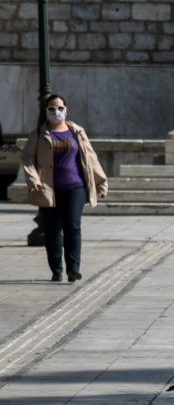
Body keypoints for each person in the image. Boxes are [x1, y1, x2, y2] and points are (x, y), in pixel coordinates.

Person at [20, 94, 108, 282]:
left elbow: (90, 157)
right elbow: (27, 157)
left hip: (75, 186)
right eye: (51, 108)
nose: (56, 112)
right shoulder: (38, 134)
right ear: (46, 111)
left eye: (60, 108)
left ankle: (73, 269)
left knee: (73, 227)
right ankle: (56, 270)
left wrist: (101, 182)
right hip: (48, 188)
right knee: (52, 229)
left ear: (66, 110)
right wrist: (33, 178)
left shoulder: (76, 131)